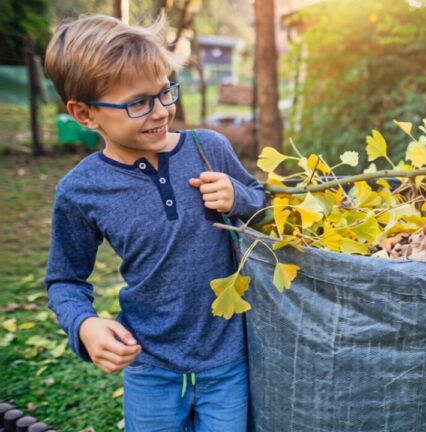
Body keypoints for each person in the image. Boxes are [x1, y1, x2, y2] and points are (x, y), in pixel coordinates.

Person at [43, 14, 266, 431]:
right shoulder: (81, 190)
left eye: (165, 92)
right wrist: (84, 324)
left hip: (228, 364)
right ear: (85, 114)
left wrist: (241, 198)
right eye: (138, 103)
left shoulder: (209, 149)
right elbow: (64, 280)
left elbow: (265, 208)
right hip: (149, 367)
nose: (162, 111)